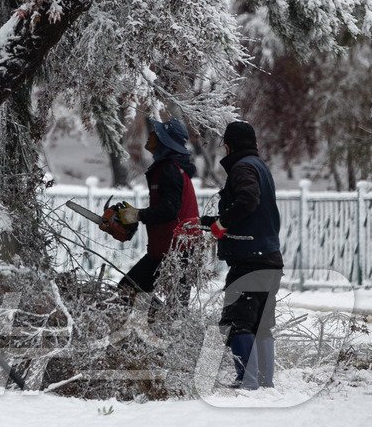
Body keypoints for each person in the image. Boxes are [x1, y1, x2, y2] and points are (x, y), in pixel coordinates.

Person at [201, 120, 283, 390]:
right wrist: (210, 222)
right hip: (269, 256)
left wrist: (222, 223)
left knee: (237, 321)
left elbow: (248, 200)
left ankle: (247, 381)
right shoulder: (260, 167)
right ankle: (265, 382)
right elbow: (251, 212)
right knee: (261, 324)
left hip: (250, 259)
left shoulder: (242, 167)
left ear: (229, 145)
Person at [105, 117, 201, 294]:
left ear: (165, 141)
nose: (150, 135)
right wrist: (135, 216)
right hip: (168, 249)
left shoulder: (170, 170)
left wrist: (137, 215)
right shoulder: (168, 168)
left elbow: (170, 209)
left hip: (177, 251)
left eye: (156, 133)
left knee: (129, 290)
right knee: (130, 290)